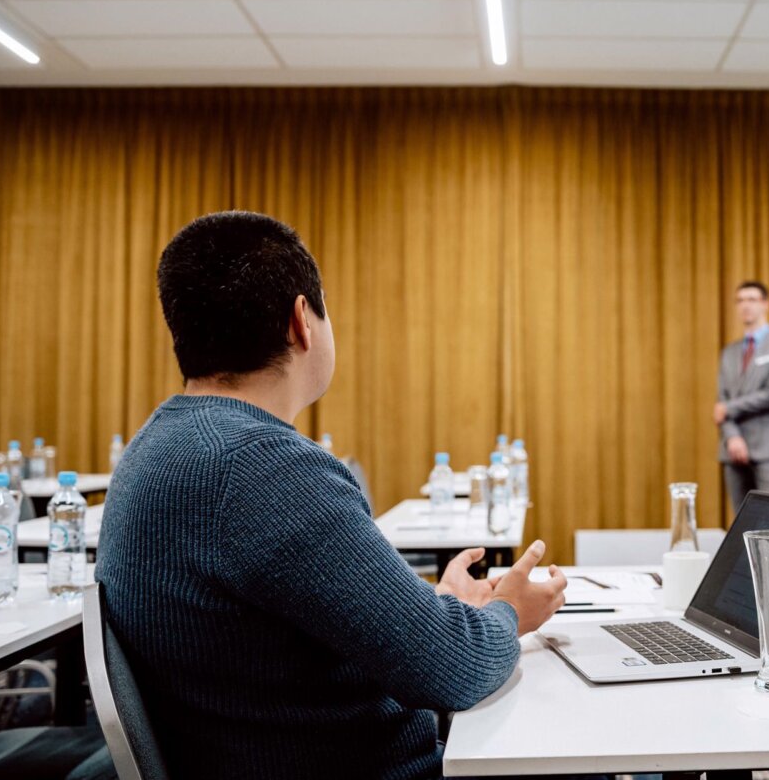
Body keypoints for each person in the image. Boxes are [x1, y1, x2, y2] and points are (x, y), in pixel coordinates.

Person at [96, 211, 567, 779]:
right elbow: (456, 670)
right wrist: (509, 612)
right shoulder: (261, 467)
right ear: (302, 321)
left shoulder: (159, 444)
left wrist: (437, 611)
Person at [714, 281, 769, 516]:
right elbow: (721, 399)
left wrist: (729, 408)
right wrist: (732, 437)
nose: (745, 306)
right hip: (733, 448)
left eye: (751, 299)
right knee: (740, 523)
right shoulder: (729, 352)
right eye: (740, 300)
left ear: (766, 304)